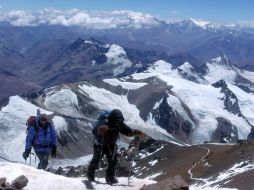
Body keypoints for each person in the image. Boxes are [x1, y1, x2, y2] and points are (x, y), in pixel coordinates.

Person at [86, 109, 144, 184]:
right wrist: (99, 130)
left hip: (111, 145)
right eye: (117, 121)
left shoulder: (119, 123)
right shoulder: (105, 123)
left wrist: (137, 132)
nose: (118, 123)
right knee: (96, 160)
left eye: (119, 122)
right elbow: (94, 130)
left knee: (113, 161)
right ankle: (90, 175)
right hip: (100, 144)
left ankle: (110, 177)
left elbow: (128, 131)